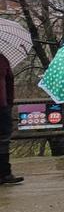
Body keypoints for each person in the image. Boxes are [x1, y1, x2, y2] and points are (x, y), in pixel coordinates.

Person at [0, 52, 21, 185]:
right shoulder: (2, 60)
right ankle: (4, 173)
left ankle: (5, 173)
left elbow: (9, 81)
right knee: (3, 140)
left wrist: (8, 103)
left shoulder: (2, 59)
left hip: (3, 107)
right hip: (3, 106)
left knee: (4, 140)